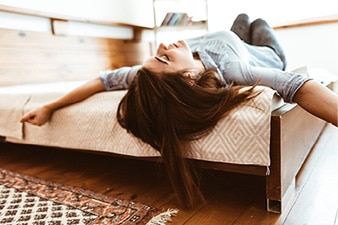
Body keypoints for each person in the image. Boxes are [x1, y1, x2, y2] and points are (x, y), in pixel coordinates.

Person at [20, 14, 338, 208]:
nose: (161, 48)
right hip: (266, 53)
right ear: (187, 78)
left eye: (158, 55)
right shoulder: (231, 69)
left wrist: (49, 106)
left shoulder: (146, 76)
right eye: (164, 59)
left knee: (240, 21)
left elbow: (101, 81)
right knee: (253, 21)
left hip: (235, 40)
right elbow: (297, 86)